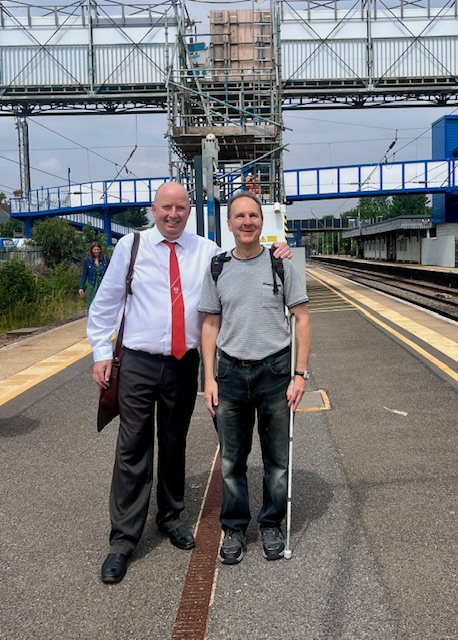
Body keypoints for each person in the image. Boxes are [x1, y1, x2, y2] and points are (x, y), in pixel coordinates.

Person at [86, 182, 292, 584]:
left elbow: (246, 256)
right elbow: (105, 305)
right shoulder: (130, 248)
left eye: (181, 208)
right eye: (166, 208)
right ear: (154, 209)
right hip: (137, 362)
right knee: (133, 448)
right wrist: (99, 354)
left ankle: (169, 517)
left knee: (175, 442)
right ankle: (123, 540)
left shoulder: (207, 252)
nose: (174, 215)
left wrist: (278, 251)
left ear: (188, 211)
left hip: (184, 363)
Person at [199, 191, 311, 565]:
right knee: (232, 460)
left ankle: (270, 523)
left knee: (277, 459)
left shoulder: (281, 265)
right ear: (228, 224)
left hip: (275, 372)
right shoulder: (217, 267)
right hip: (230, 374)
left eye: (253, 216)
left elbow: (303, 319)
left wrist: (300, 375)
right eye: (239, 216)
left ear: (262, 223)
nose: (247, 222)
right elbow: (210, 323)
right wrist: (209, 379)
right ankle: (234, 527)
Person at [79, 241, 110, 308]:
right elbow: (84, 274)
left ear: (100, 250)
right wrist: (81, 287)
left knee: (103, 304)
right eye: (94, 249)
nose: (96, 251)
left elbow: (111, 272)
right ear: (92, 250)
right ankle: (91, 318)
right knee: (91, 305)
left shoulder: (106, 259)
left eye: (98, 249)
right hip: (92, 286)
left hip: (103, 285)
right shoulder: (87, 260)